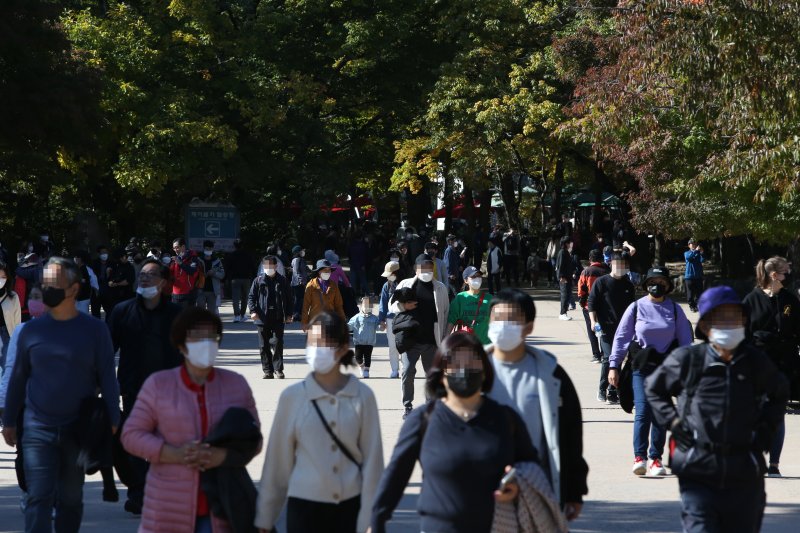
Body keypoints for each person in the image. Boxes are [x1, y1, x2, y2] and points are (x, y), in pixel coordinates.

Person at [645, 286, 789, 533]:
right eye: (720, 318)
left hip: (745, 468)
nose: (728, 324)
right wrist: (674, 422)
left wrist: (766, 427)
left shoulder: (754, 361)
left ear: (744, 321)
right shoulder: (689, 359)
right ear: (705, 325)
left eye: (734, 317)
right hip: (698, 467)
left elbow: (780, 391)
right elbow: (654, 388)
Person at [371, 332, 537, 533]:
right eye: (455, 363)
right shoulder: (423, 420)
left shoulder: (505, 419)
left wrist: (518, 486)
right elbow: (395, 476)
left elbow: (533, 470)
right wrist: (377, 521)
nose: (464, 370)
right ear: (441, 373)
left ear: (485, 370)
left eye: (472, 362)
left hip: (499, 527)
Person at [2, 257, 120, 532]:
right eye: (44, 283)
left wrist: (113, 418)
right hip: (37, 429)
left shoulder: (95, 329)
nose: (46, 289)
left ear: (74, 289)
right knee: (38, 496)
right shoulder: (30, 330)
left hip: (77, 430)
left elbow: (107, 377)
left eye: (54, 284)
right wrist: (8, 419)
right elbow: (17, 376)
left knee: (69, 500)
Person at [122, 307, 261, 533]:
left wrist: (221, 456)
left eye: (212, 337)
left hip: (221, 507)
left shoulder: (236, 385)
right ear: (181, 344)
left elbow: (253, 440)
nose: (206, 343)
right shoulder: (159, 385)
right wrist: (171, 453)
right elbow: (131, 435)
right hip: (168, 507)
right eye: (197, 336)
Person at [255, 312, 383, 533]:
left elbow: (374, 463)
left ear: (343, 348)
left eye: (325, 343)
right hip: (304, 510)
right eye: (313, 342)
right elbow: (277, 464)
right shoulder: (292, 397)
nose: (317, 349)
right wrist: (264, 519)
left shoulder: (363, 396)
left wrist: (370, 518)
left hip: (349, 509)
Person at [485, 289, 589, 519]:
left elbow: (571, 434)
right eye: (497, 319)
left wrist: (575, 491)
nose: (503, 325)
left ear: (529, 326)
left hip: (538, 486)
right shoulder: (473, 371)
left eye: (512, 320)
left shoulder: (551, 373)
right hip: (483, 488)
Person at [107, 258, 183, 515]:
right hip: (133, 389)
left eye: (151, 275)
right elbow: (108, 350)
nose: (144, 278)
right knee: (135, 445)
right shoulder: (122, 311)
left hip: (170, 391)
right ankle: (139, 493)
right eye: (142, 275)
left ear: (163, 283)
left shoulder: (177, 315)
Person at [608, 266, 693, 477]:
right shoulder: (636, 307)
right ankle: (640, 457)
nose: (657, 286)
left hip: (665, 368)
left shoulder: (675, 310)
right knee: (643, 411)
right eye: (653, 282)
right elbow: (621, 338)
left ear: (667, 286)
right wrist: (613, 365)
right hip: (640, 366)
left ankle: (656, 459)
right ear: (646, 284)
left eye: (662, 282)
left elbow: (685, 341)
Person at [742, 256, 800, 477]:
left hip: (783, 365)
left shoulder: (790, 300)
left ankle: (774, 463)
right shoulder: (751, 300)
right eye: (785, 272)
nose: (788, 275)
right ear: (774, 275)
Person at [389, 258, 450, 419]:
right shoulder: (406, 284)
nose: (427, 270)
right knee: (407, 373)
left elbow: (445, 313)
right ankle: (407, 406)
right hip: (411, 341)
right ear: (416, 268)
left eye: (430, 267)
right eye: (423, 267)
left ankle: (430, 406)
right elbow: (391, 304)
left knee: (432, 376)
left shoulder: (440, 287)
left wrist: (444, 338)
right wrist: (403, 306)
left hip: (432, 341)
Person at [588, 251, 635, 405]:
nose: (622, 267)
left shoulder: (628, 284)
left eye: (625, 264)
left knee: (620, 359)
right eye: (618, 263)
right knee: (609, 358)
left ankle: (614, 391)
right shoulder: (601, 282)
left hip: (624, 329)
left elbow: (633, 308)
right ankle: (603, 389)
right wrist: (593, 322)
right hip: (606, 328)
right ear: (612, 264)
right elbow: (592, 303)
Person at [249, 256, 294, 379]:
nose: (268, 268)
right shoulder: (258, 281)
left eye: (270, 266)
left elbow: (290, 299)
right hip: (262, 318)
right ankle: (268, 371)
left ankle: (278, 369)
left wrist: (289, 314)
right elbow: (251, 297)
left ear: (275, 266)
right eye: (265, 266)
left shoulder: (283, 281)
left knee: (277, 343)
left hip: (278, 317)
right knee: (264, 346)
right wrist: (253, 311)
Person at [578, 249, 611, 364]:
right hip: (605, 305)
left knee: (591, 329)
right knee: (604, 329)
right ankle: (604, 353)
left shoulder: (586, 272)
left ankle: (596, 354)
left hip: (589, 306)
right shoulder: (607, 270)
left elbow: (581, 289)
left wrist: (582, 303)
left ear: (590, 259)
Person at [447, 266, 492, 344]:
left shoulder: (490, 298)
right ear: (466, 280)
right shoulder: (460, 298)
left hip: (486, 345)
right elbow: (451, 320)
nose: (477, 278)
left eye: (478, 276)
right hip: (467, 346)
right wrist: (446, 340)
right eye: (473, 277)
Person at [301, 259, 346, 332]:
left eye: (329, 270)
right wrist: (304, 322)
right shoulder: (311, 285)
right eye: (325, 270)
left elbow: (338, 305)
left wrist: (342, 321)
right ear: (319, 272)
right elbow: (305, 306)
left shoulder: (334, 285)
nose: (328, 272)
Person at [225, 239, 257, 323]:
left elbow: (227, 268)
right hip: (246, 278)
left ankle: (236, 315)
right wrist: (254, 277)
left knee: (235, 298)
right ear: (242, 245)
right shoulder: (248, 255)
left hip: (235, 279)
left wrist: (226, 279)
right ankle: (242, 315)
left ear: (234, 246)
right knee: (245, 297)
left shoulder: (231, 255)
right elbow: (253, 267)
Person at [378, 261, 401, 379]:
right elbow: (383, 303)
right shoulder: (386, 285)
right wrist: (381, 320)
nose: (388, 276)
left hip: (404, 318)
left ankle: (406, 368)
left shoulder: (406, 283)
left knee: (404, 345)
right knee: (392, 346)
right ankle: (394, 369)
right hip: (390, 318)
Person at [348, 297, 380, 378]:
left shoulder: (374, 318)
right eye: (364, 305)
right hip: (359, 341)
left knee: (367, 357)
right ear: (361, 306)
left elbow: (378, 327)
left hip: (369, 342)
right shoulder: (357, 317)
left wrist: (382, 326)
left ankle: (366, 370)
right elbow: (349, 325)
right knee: (358, 357)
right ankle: (361, 366)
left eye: (368, 305)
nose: (366, 307)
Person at [170, 237, 203, 308]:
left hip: (189, 294)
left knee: (187, 318)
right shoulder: (175, 259)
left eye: (177, 247)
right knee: (176, 317)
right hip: (175, 294)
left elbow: (192, 272)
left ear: (183, 247)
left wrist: (181, 263)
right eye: (174, 248)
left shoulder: (192, 257)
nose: (175, 250)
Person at [0, 261, 22, 368]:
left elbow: (17, 321)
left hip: (7, 335)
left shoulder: (13, 296)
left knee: (7, 367)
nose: (1, 280)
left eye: (3, 277)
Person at [195, 240, 225, 315]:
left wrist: (214, 273)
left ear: (212, 249)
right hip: (200, 289)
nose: (208, 250)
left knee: (211, 312)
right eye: (206, 248)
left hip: (213, 290)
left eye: (210, 249)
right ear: (204, 248)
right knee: (200, 310)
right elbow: (194, 273)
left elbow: (222, 274)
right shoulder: (198, 260)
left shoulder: (217, 261)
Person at [556, 236, 576, 320]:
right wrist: (561, 276)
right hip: (564, 278)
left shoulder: (566, 252)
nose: (571, 244)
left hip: (568, 277)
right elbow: (560, 266)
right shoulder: (562, 252)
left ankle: (564, 312)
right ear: (566, 243)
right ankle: (562, 313)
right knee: (564, 295)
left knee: (567, 295)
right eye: (569, 243)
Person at [289, 245, 310, 322]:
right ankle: (295, 315)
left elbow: (304, 269)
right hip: (298, 283)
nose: (303, 252)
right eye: (301, 251)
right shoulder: (296, 260)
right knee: (298, 299)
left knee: (301, 299)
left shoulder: (301, 260)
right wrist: (301, 280)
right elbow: (296, 271)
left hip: (301, 282)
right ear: (297, 252)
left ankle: (299, 314)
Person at [684, 238, 705, 312]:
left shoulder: (698, 253)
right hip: (689, 276)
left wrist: (702, 252)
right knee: (690, 294)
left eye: (695, 244)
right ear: (689, 245)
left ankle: (696, 305)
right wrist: (696, 251)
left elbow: (702, 260)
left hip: (698, 276)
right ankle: (692, 306)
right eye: (692, 244)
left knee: (699, 293)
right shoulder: (686, 253)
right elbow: (689, 258)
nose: (693, 245)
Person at [92, 245, 112, 319]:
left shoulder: (111, 263)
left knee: (110, 310)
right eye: (103, 252)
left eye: (106, 252)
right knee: (95, 311)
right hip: (97, 289)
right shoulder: (94, 263)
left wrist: (109, 275)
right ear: (99, 254)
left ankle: (108, 327)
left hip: (108, 289)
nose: (105, 254)